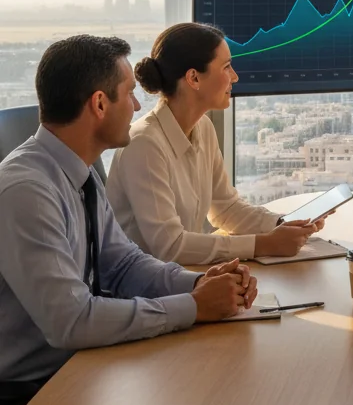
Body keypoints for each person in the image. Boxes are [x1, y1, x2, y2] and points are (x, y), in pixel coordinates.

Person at [0, 35, 257, 405]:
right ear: (100, 105)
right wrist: (192, 307)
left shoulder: (80, 175)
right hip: (26, 400)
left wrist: (200, 283)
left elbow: (122, 265)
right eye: (129, 95)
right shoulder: (27, 191)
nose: (138, 106)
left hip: (80, 369)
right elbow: (72, 320)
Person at [107, 23, 324, 265]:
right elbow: (170, 246)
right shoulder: (144, 145)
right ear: (194, 78)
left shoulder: (203, 128)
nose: (235, 77)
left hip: (181, 278)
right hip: (147, 292)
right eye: (227, 67)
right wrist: (264, 244)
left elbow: (226, 209)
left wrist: (285, 224)